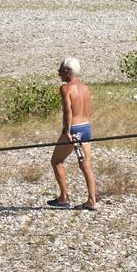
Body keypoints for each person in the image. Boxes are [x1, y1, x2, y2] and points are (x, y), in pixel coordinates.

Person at [49, 57, 99, 210]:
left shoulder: (66, 88)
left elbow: (67, 111)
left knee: (56, 161)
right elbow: (88, 110)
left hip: (74, 130)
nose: (59, 74)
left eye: (60, 70)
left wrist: (67, 130)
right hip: (86, 128)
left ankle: (64, 198)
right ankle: (92, 200)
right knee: (86, 166)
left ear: (68, 71)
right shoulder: (85, 88)